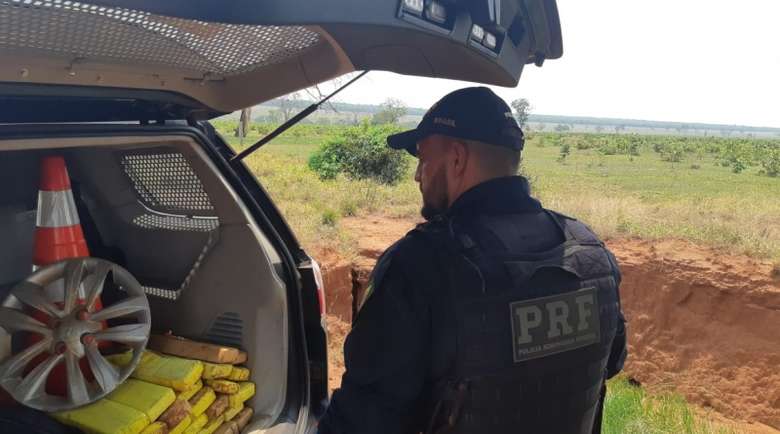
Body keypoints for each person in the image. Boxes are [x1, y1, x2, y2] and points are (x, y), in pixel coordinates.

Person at [318, 87, 627, 434]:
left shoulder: (420, 265)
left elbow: (362, 421)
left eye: (423, 158)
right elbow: (611, 361)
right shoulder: (590, 253)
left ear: (457, 159)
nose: (417, 175)